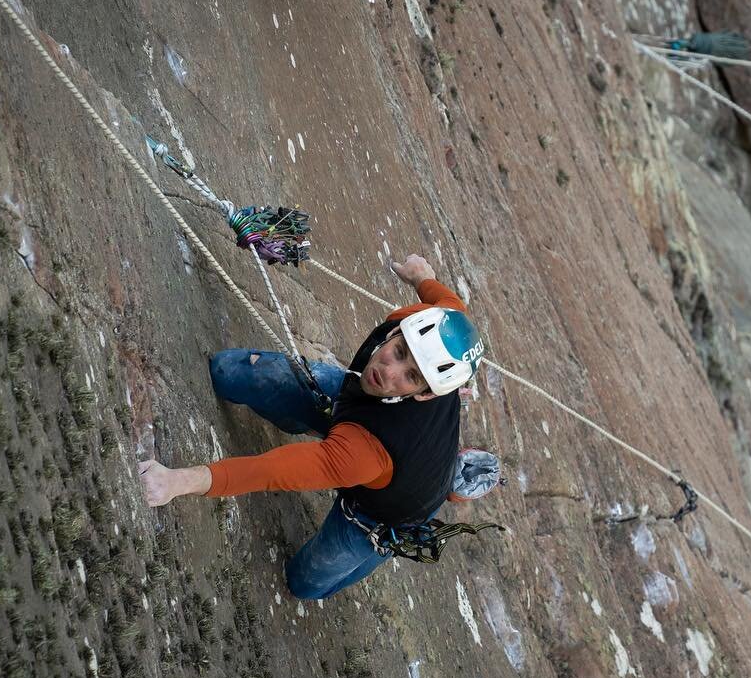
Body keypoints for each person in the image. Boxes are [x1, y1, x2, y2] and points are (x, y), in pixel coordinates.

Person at [138, 254, 490, 599]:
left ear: (427, 394)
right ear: (400, 329)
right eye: (399, 351)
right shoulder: (430, 324)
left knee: (304, 584)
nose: (388, 371)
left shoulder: (364, 453)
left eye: (411, 376)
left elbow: (269, 471)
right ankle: (318, 425)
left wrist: (178, 481)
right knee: (227, 371)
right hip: (354, 408)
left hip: (377, 510)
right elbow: (451, 306)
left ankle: (449, 477)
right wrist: (420, 276)